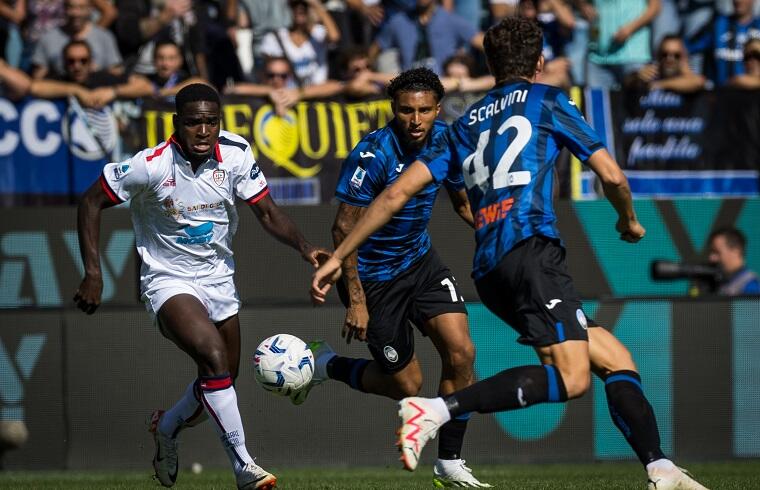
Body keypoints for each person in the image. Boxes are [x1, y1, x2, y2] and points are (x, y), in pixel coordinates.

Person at [311, 17, 708, 490]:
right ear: (540, 63)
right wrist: (628, 219)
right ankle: (437, 409)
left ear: (489, 64)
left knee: (615, 360)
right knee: (572, 378)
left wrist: (338, 257)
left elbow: (395, 196)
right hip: (530, 252)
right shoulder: (547, 100)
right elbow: (614, 177)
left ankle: (658, 467)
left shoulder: (465, 125)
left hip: (491, 265)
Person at [74, 83, 326, 489]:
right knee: (212, 356)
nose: (204, 131)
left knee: (222, 375)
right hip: (167, 280)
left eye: (211, 121)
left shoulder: (238, 153)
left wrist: (304, 247)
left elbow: (266, 212)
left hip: (219, 280)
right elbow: (90, 202)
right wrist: (94, 272)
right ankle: (244, 466)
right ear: (177, 124)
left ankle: (167, 428)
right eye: (194, 122)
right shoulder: (150, 164)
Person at [303, 67, 491, 488]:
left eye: (425, 110)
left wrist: (498, 235)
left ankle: (450, 461)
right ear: (394, 109)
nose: (416, 119)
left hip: (421, 263)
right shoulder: (373, 153)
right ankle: (327, 364)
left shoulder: (445, 140)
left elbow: (462, 203)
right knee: (407, 383)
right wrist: (356, 299)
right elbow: (341, 229)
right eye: (407, 110)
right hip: (372, 279)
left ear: (437, 109)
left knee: (461, 353)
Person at [688, 0, 760, 86]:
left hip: (754, 95)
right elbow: (685, 48)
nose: (738, 1)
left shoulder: (758, 26)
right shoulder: (717, 25)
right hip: (719, 94)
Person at [625, 34, 706, 92]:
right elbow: (627, 82)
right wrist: (637, 76)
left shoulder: (689, 74)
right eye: (665, 54)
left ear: (684, 57)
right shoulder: (653, 72)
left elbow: (698, 82)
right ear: (658, 56)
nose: (670, 59)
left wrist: (660, 85)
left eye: (676, 55)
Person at [708, 227, 760, 295]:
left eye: (717, 252)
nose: (711, 258)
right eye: (711, 252)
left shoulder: (752, 287)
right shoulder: (720, 283)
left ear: (736, 251)